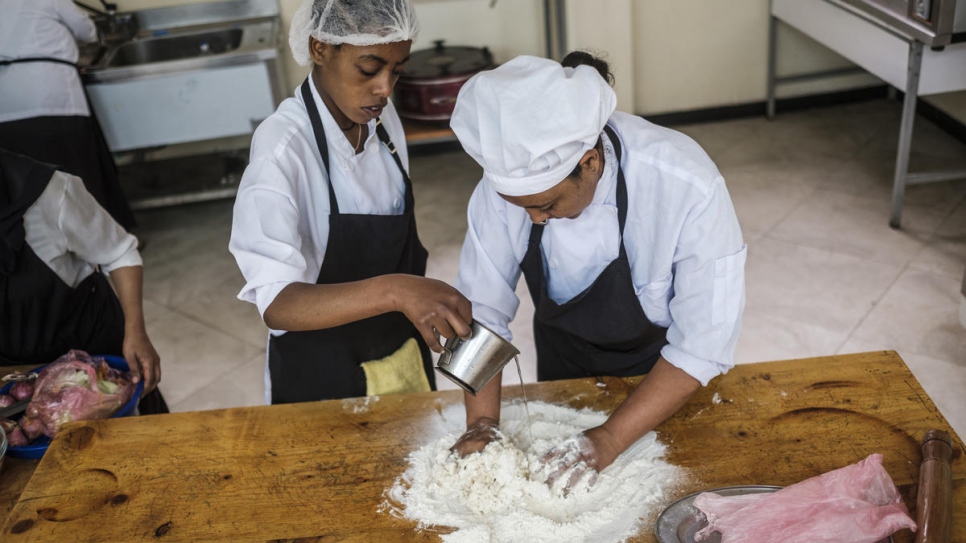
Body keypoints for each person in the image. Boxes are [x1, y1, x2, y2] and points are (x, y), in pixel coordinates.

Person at [448, 53, 746, 490]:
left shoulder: (684, 183)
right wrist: (481, 424)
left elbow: (702, 346)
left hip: (660, 377)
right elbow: (480, 316)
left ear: (590, 162)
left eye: (546, 206)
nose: (533, 220)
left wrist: (608, 438)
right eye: (522, 208)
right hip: (562, 358)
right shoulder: (507, 188)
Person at [229, 0, 473, 405]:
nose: (385, 88)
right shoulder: (282, 153)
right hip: (321, 372)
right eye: (368, 68)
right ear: (319, 48)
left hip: (399, 350)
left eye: (398, 70)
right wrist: (397, 291)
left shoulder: (381, 119)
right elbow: (277, 303)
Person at [0, 148, 161, 407]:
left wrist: (135, 330)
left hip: (96, 367)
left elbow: (120, 253)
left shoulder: (47, 192)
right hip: (16, 386)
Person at [0, 0, 136, 230]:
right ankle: (108, 247)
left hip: (5, 106)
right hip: (53, 96)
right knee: (79, 174)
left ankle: (48, 252)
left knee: (26, 182)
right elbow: (88, 31)